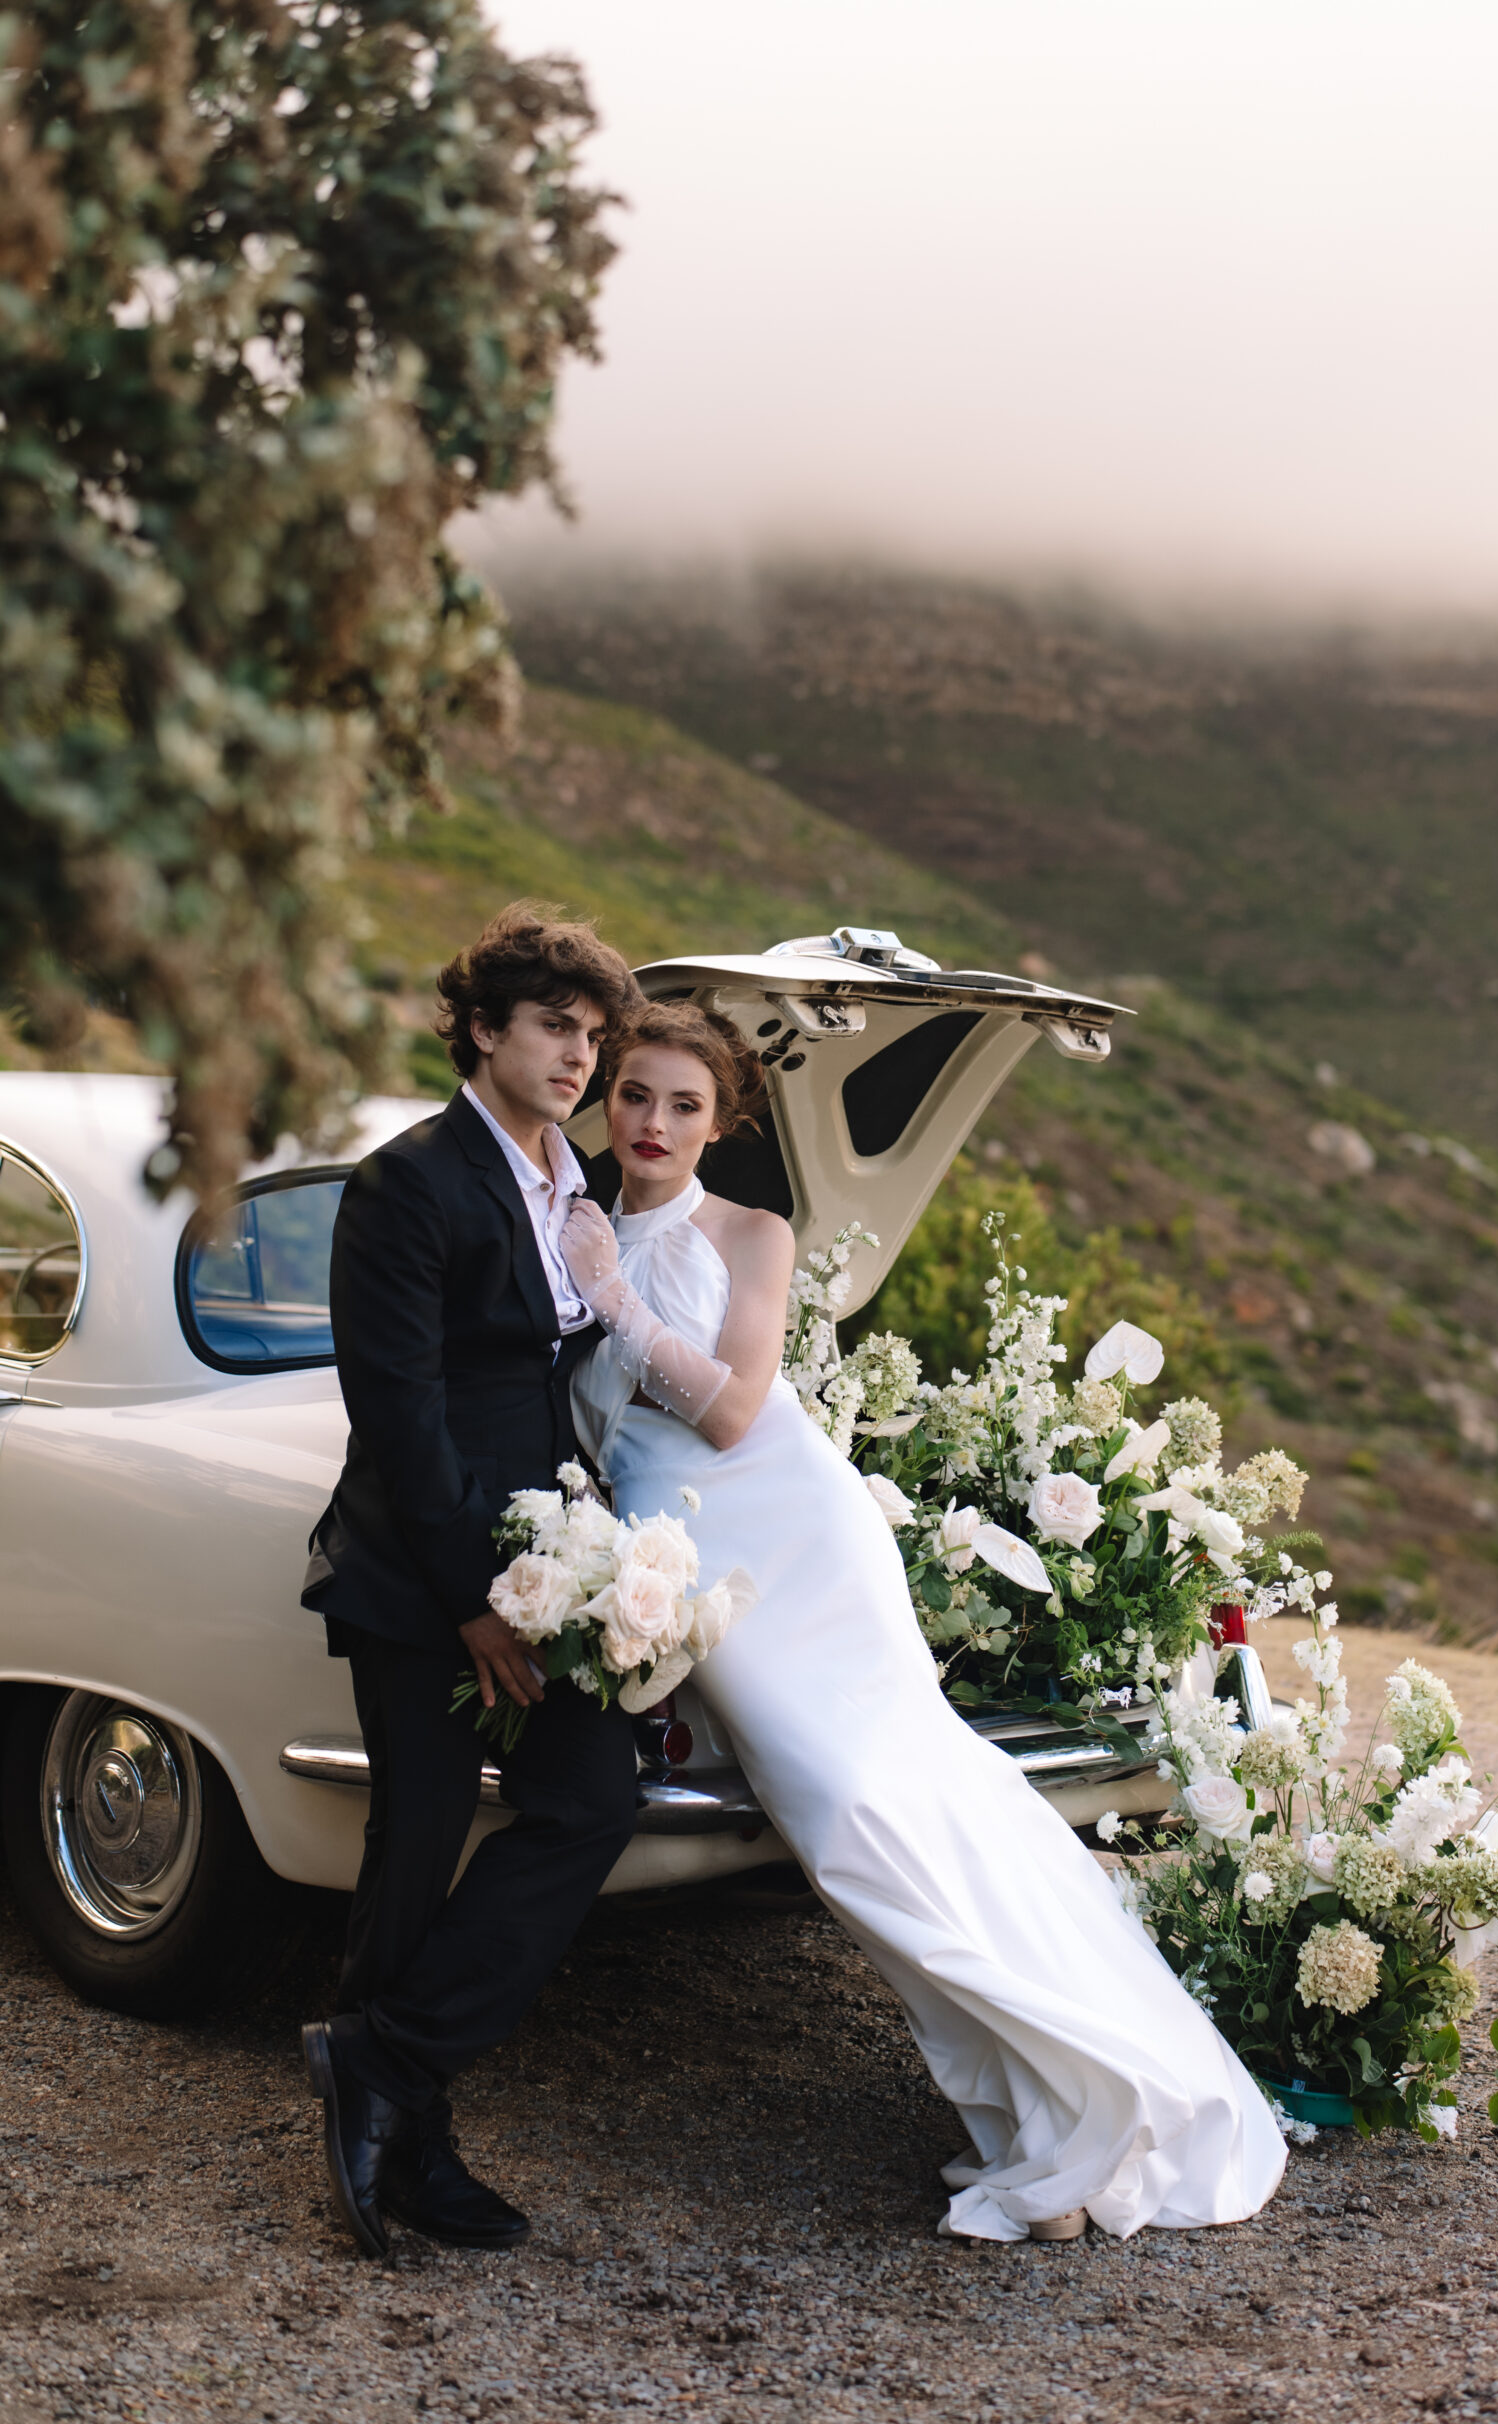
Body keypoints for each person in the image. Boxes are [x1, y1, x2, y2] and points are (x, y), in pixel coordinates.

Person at [562, 1001, 1288, 2243]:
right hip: (679, 1560)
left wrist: (609, 1295)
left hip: (794, 1535)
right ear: (607, 1099)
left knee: (885, 1803)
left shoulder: (751, 1229)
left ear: (721, 1119)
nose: (654, 1123)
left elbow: (734, 1411)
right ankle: (1038, 2120)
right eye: (635, 1095)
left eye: (685, 1104)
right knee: (844, 1830)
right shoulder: (563, 1221)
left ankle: (1070, 2117)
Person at [299, 903, 642, 2259]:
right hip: (416, 1566)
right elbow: (398, 1410)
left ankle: (379, 2062)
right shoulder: (408, 1184)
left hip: (553, 1564)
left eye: (593, 1037)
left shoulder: (583, 1185)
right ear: (485, 1027)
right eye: (556, 1028)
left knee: (590, 1802)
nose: (577, 1056)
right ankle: (408, 2146)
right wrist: (467, 1600)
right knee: (416, 1842)